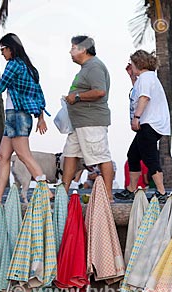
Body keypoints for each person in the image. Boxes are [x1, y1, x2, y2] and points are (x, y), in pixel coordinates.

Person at [0, 33, 48, 203]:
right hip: (18, 116)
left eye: (3, 49)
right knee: (3, 156)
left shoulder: (13, 65)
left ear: (10, 48)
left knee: (24, 155)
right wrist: (40, 117)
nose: (2, 53)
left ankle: (46, 191)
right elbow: (39, 94)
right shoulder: (29, 68)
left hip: (16, 115)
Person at [61, 35, 115, 201]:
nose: (70, 51)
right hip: (80, 122)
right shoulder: (87, 67)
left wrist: (76, 97)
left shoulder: (94, 67)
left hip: (91, 121)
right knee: (70, 154)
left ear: (83, 49)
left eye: (73, 48)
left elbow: (100, 91)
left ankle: (107, 195)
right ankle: (63, 191)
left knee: (101, 156)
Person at [114, 50, 170, 203]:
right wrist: (132, 76)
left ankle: (161, 191)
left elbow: (144, 97)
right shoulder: (146, 78)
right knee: (133, 155)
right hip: (150, 123)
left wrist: (136, 117)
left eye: (132, 63)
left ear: (138, 63)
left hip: (149, 123)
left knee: (150, 157)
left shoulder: (146, 78)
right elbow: (138, 93)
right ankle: (132, 189)